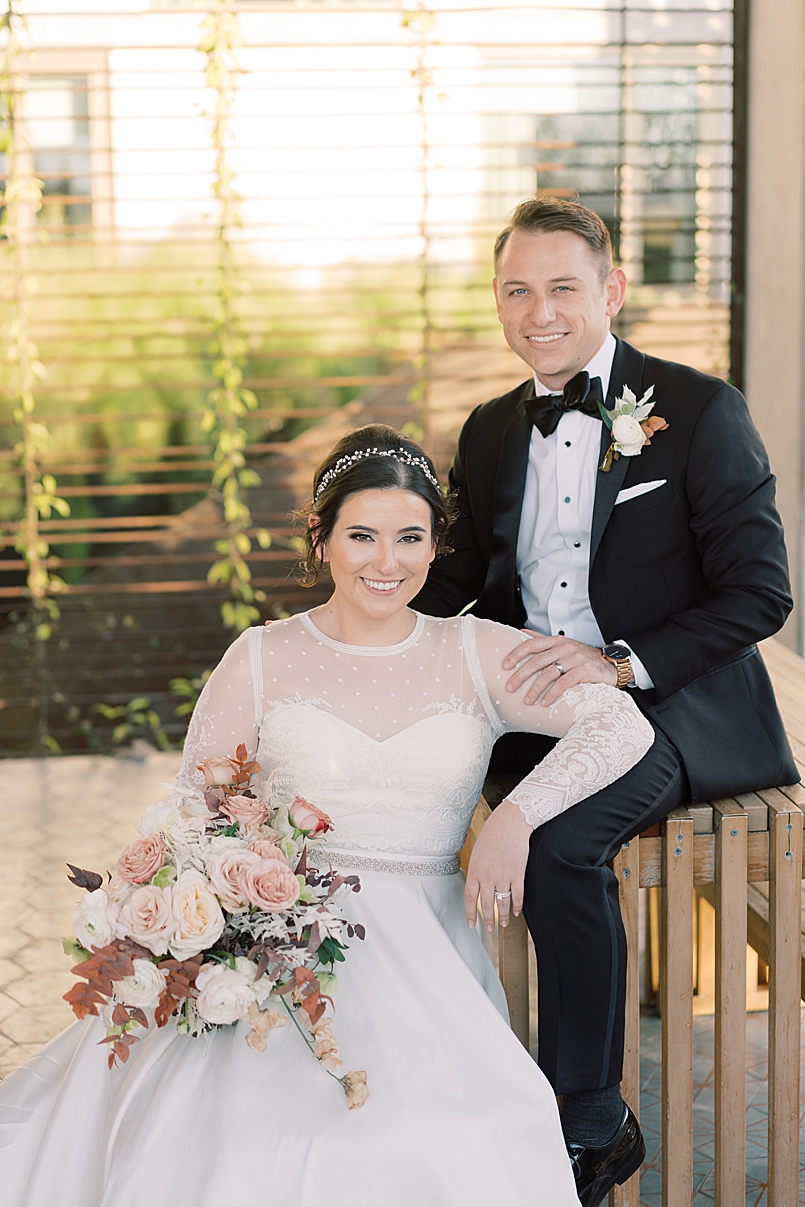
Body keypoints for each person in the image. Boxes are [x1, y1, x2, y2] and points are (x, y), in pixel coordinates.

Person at [0, 424, 656, 1207]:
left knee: (443, 1139)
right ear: (321, 537)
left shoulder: (473, 651)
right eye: (363, 536)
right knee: (264, 1141)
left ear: (436, 543)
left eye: (410, 537)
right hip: (285, 950)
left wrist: (516, 816)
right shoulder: (262, 655)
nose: (388, 561)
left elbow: (622, 724)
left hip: (429, 960)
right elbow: (193, 810)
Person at [413, 196, 797, 1204]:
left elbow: (761, 592)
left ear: (611, 290)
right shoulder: (492, 428)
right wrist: (356, 635)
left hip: (668, 704)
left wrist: (621, 664)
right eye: (517, 290)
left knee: (556, 843)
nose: (539, 312)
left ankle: (585, 1113)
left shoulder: (700, 409)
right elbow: (464, 573)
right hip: (527, 708)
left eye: (562, 288)